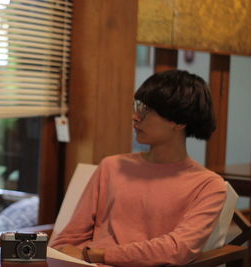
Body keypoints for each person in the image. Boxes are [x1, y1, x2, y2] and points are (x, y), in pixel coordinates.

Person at [49, 70, 227, 266]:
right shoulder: (112, 165)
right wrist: (61, 255)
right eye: (138, 106)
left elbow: (177, 249)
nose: (135, 116)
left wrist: (96, 255)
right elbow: (70, 236)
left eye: (147, 110)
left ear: (179, 122)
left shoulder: (208, 185)